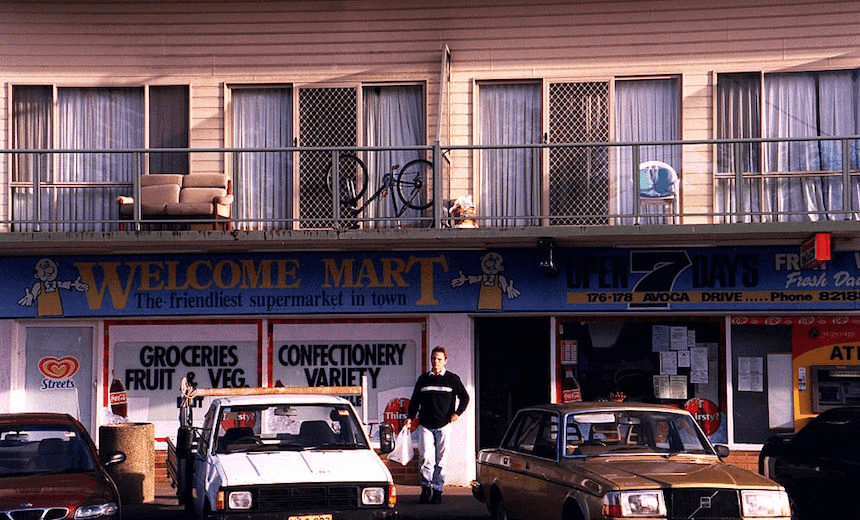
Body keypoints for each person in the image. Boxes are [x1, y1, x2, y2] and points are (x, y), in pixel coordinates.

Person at [407, 346, 470, 504]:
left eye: (439, 359)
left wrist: (457, 413)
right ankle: (425, 488)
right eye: (434, 358)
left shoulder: (452, 379)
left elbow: (465, 397)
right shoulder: (423, 379)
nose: (436, 362)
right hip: (425, 425)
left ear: (445, 361)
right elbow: (415, 400)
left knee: (441, 460)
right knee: (426, 459)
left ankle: (437, 491)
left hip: (444, 425)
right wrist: (410, 417)